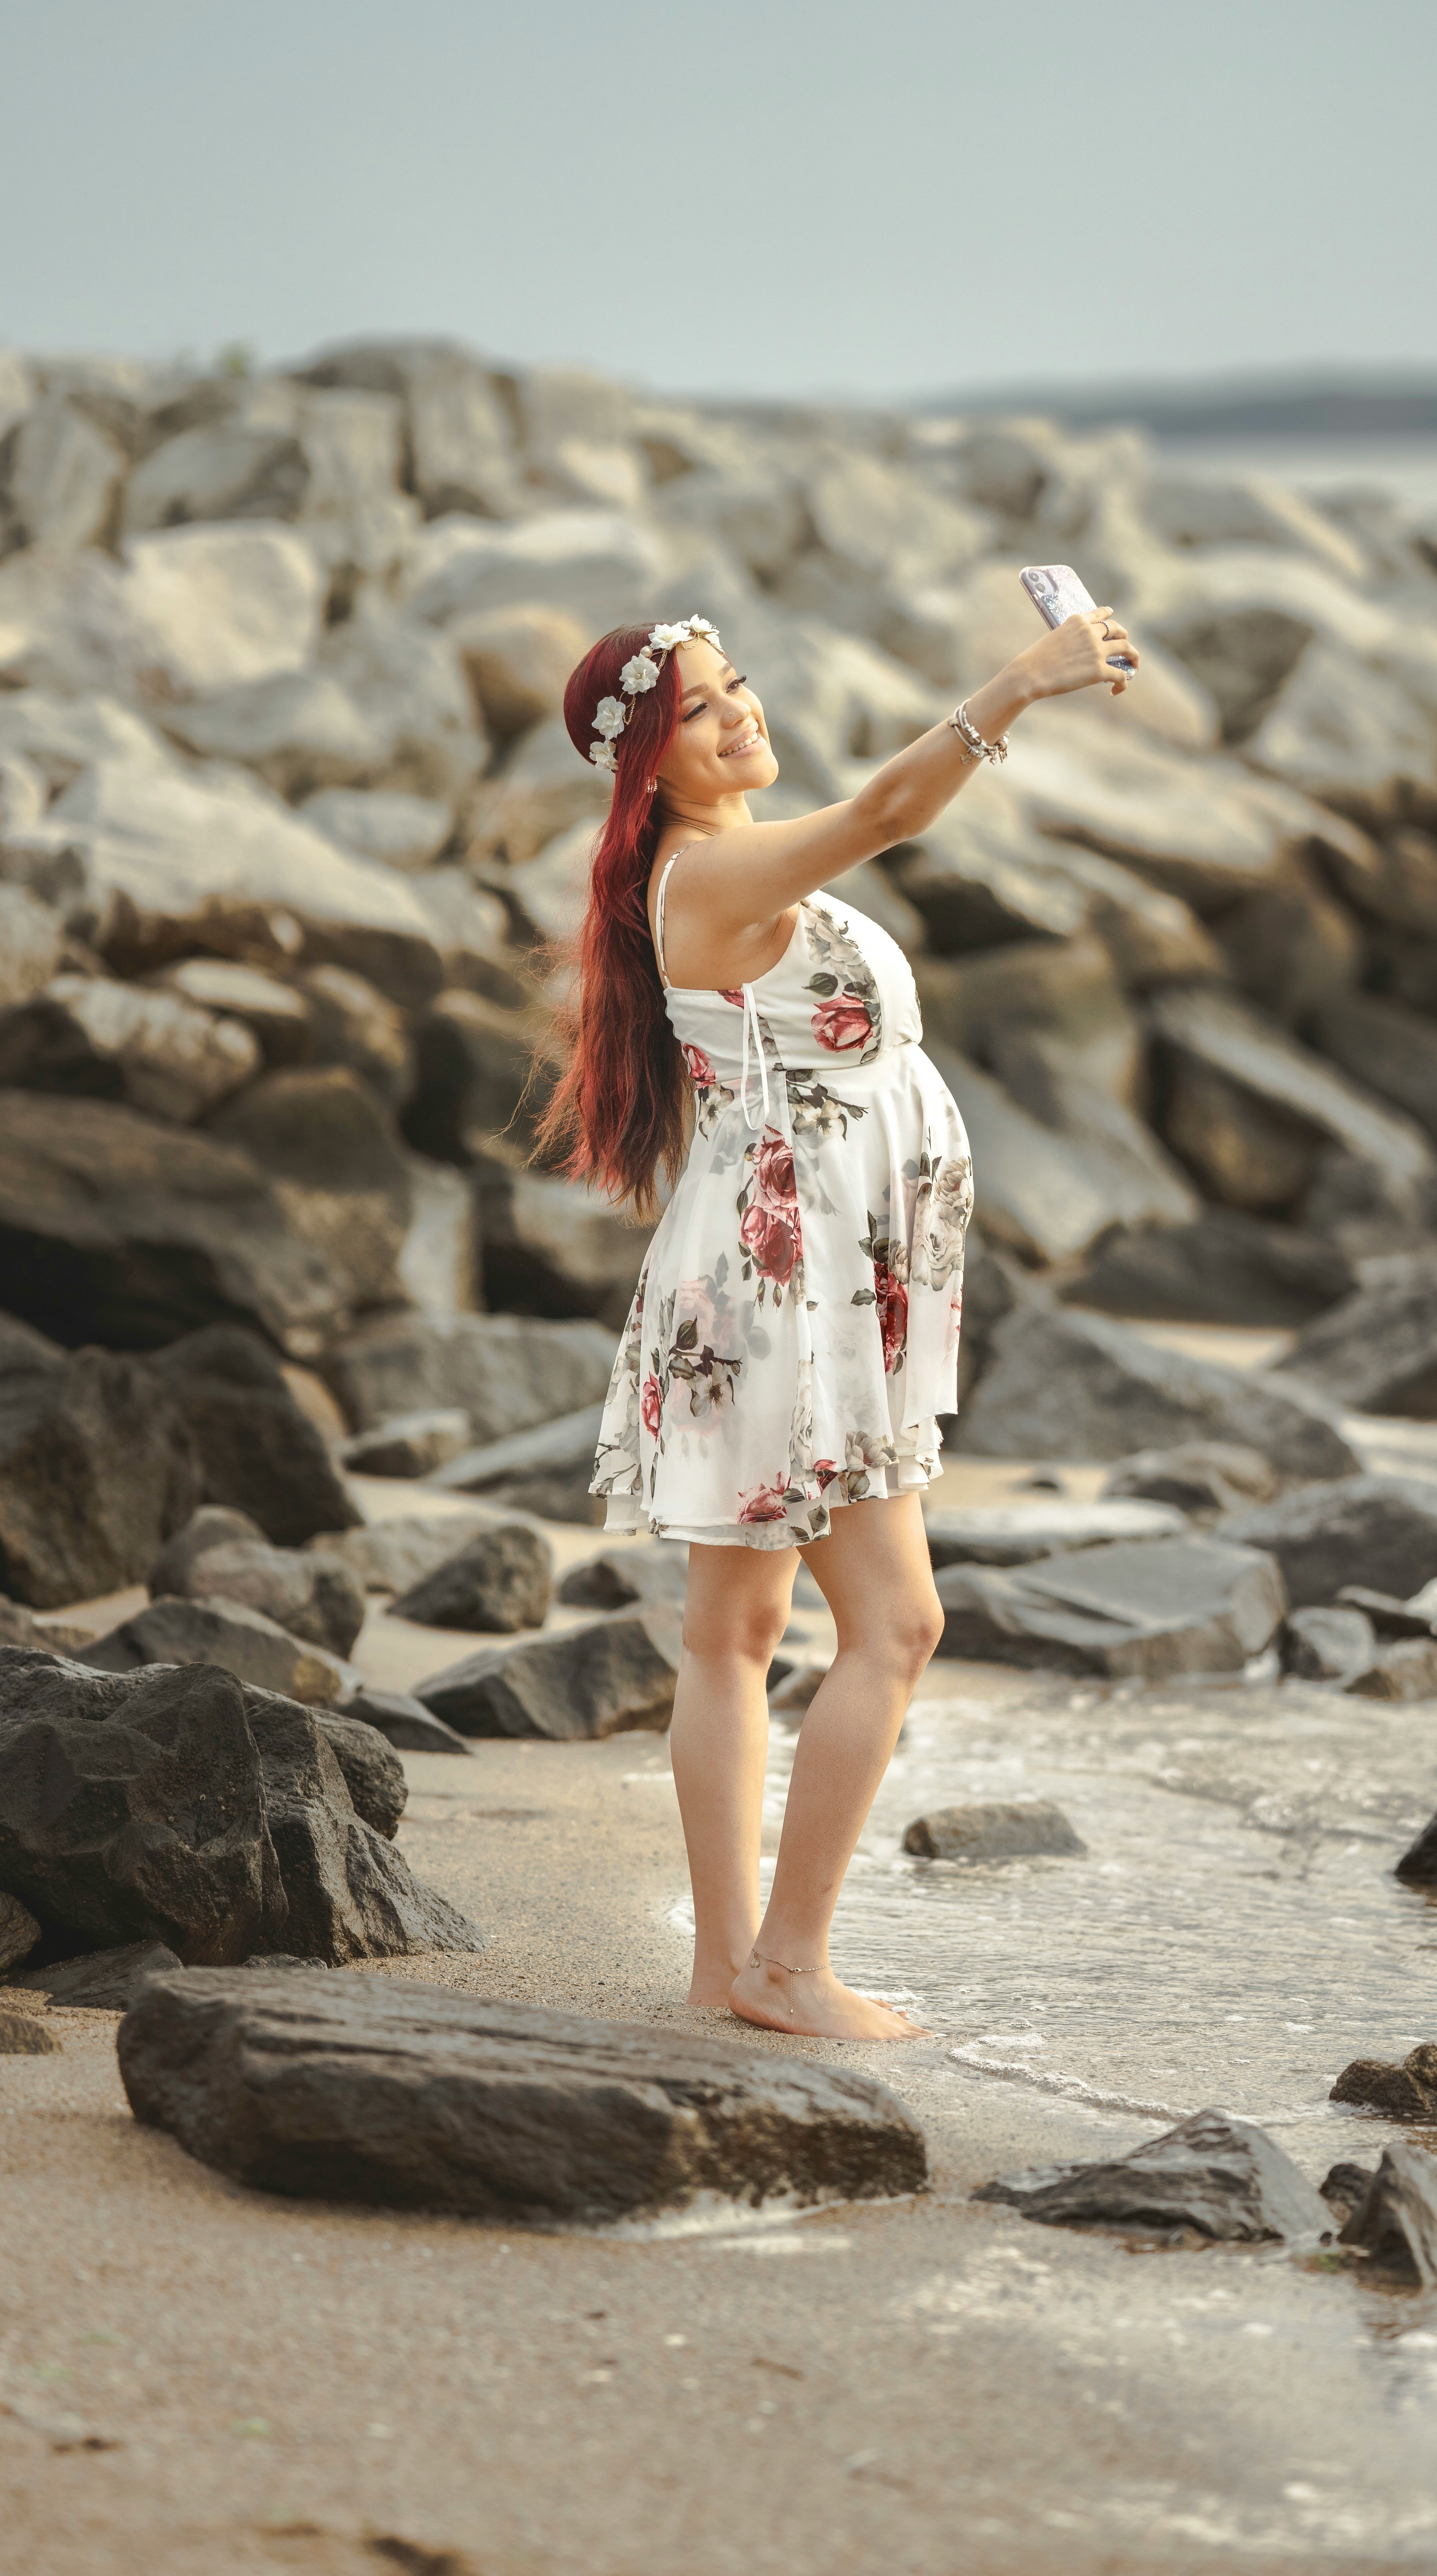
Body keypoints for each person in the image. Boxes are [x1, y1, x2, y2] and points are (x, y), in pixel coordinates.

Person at [538, 603, 1141, 2038]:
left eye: (737, 683)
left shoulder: (715, 862)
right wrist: (1024, 684)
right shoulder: (710, 875)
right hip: (783, 1285)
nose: (739, 712)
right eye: (699, 710)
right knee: (885, 1623)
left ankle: (730, 1972)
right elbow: (886, 807)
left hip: (798, 1276)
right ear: (647, 764)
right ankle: (786, 1969)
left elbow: (863, 819)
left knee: (740, 1631)